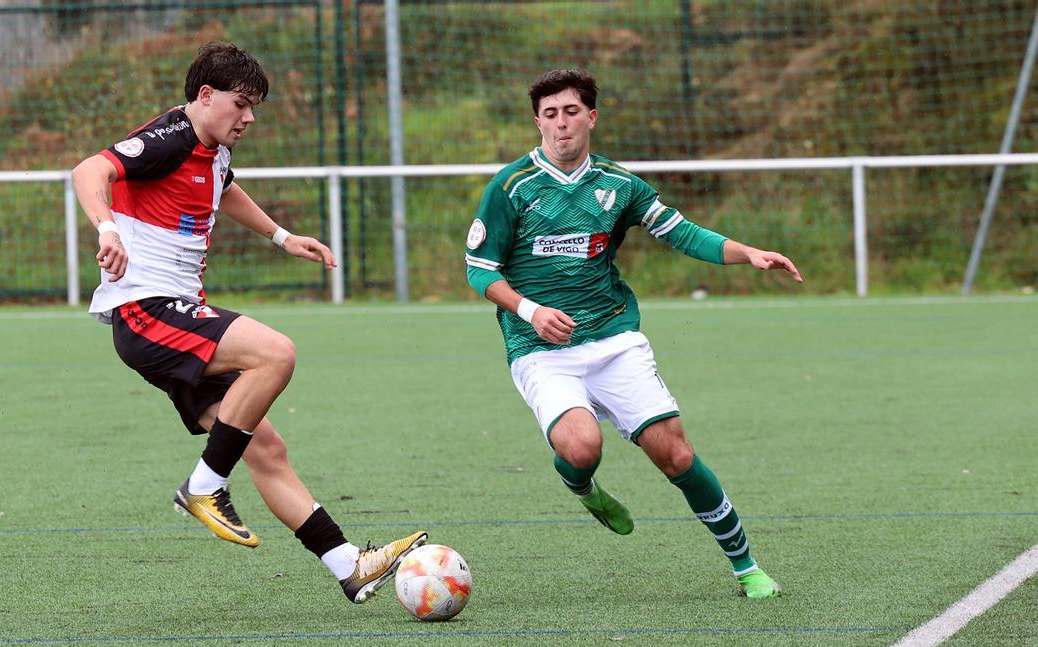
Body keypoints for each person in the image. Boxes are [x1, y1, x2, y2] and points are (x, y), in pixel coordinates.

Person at [71, 42, 425, 604]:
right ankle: (204, 487)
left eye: (254, 106)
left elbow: (225, 189)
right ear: (205, 96)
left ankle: (348, 566)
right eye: (241, 104)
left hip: (171, 312)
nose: (249, 117)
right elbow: (89, 169)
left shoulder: (212, 148)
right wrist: (106, 230)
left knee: (266, 449)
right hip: (148, 310)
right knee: (275, 353)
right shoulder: (171, 136)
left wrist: (282, 238)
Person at [465, 69, 802, 599]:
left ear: (591, 116)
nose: (561, 125)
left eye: (571, 112)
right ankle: (583, 486)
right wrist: (530, 311)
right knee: (581, 447)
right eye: (550, 115)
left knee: (676, 455)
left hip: (613, 336)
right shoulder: (510, 188)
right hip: (539, 347)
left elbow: (683, 232)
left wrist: (748, 253)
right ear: (537, 122)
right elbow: (479, 269)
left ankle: (746, 567)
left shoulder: (619, 185)